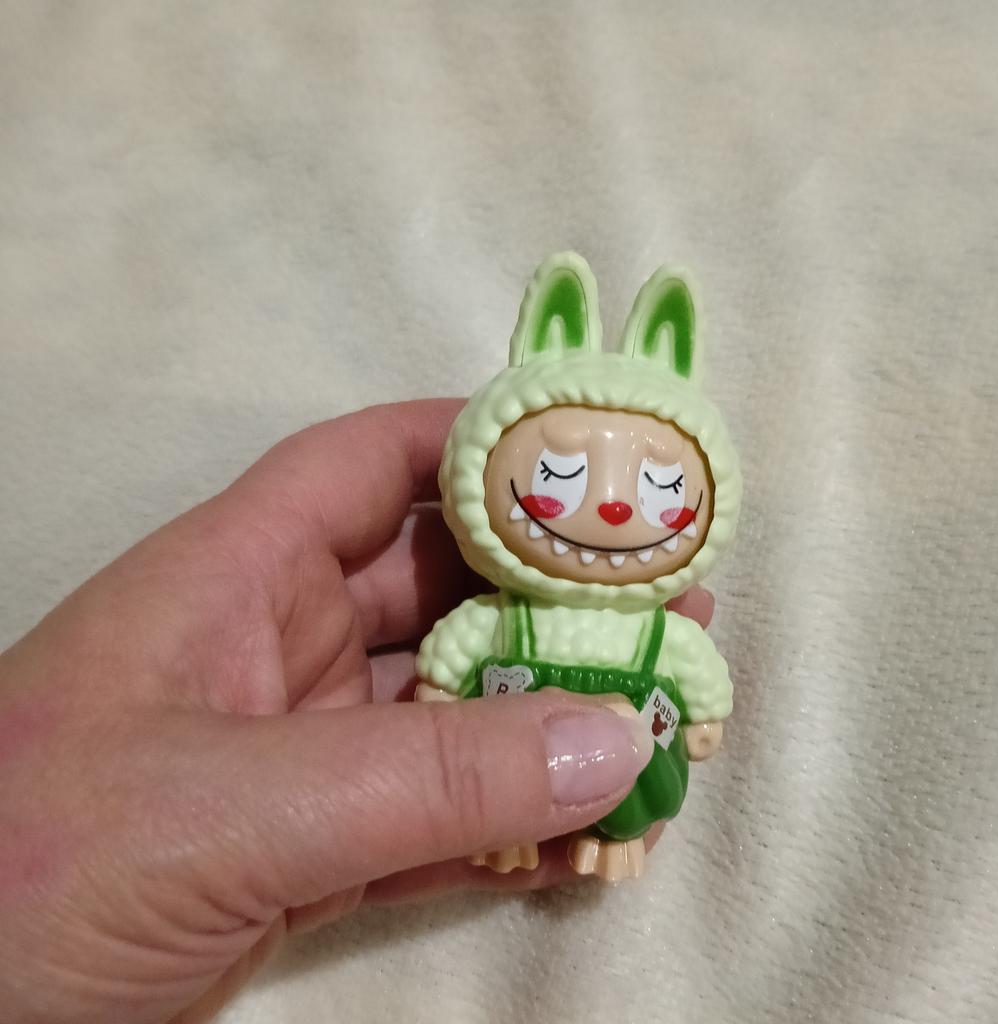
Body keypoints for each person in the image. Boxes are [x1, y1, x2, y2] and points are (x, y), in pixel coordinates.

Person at [0, 400, 716, 1024]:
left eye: (659, 487)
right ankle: (510, 837)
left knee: (640, 790)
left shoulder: (656, 630)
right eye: (560, 476)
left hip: (637, 741)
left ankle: (617, 837)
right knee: (517, 821)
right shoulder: (502, 617)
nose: (613, 510)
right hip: (511, 701)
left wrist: (704, 711)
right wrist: (442, 694)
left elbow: (691, 661)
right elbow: (462, 642)